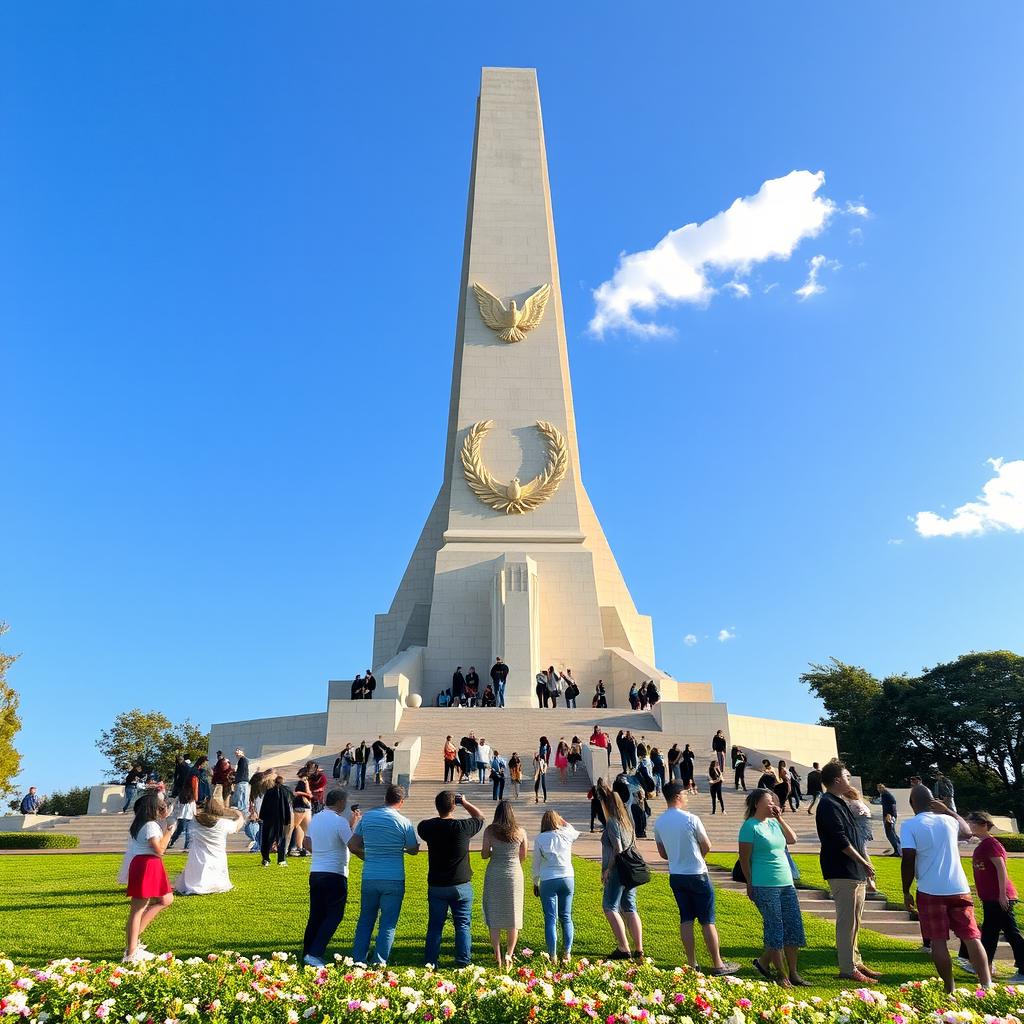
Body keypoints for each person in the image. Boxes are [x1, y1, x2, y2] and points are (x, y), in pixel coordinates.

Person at [901, 783, 991, 992]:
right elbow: (968, 833)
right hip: (958, 887)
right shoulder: (949, 821)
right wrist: (949, 810)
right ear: (934, 801)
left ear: (912, 803)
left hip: (930, 890)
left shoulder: (910, 825)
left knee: (938, 940)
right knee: (971, 936)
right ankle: (987, 986)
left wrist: (906, 889)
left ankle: (949, 989)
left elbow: (908, 858)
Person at [655, 782, 738, 975]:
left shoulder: (659, 822)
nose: (687, 796)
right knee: (707, 920)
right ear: (678, 796)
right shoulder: (691, 819)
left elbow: (663, 853)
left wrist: (677, 856)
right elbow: (706, 844)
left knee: (686, 918)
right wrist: (697, 856)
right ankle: (717, 963)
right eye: (685, 793)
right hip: (697, 873)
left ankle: (692, 963)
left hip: (676, 875)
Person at [815, 761, 880, 982]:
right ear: (836, 780)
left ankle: (856, 961)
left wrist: (863, 863)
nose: (849, 780)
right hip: (842, 869)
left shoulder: (839, 801)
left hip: (853, 869)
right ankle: (847, 967)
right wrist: (863, 861)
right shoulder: (827, 804)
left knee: (856, 919)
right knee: (847, 922)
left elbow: (856, 835)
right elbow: (840, 839)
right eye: (846, 776)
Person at [739, 788, 808, 987]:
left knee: (793, 927)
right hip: (764, 884)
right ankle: (782, 974)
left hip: (786, 883)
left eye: (774, 802)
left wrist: (780, 819)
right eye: (769, 802)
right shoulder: (750, 827)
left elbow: (792, 839)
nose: (773, 805)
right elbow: (744, 860)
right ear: (756, 804)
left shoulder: (774, 824)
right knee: (775, 929)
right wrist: (749, 883)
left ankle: (794, 973)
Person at [348, 784, 420, 966]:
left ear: (385, 798)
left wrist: (367, 856)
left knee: (365, 919)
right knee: (388, 923)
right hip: (394, 876)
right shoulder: (403, 821)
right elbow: (413, 849)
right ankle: (379, 960)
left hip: (370, 875)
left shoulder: (367, 818)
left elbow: (353, 845)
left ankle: (358, 959)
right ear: (401, 802)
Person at [417, 789, 484, 968]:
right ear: (454, 807)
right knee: (462, 925)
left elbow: (422, 828)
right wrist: (465, 802)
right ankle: (463, 961)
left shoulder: (427, 827)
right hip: (461, 883)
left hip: (437, 884)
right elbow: (480, 817)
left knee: (435, 925)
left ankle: (431, 961)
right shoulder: (463, 827)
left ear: (437, 806)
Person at [302, 790, 361, 967]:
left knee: (316, 915)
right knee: (334, 914)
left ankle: (308, 952)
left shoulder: (317, 818)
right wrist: (355, 825)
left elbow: (306, 842)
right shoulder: (339, 821)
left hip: (316, 872)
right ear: (341, 802)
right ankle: (315, 952)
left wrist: (321, 853)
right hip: (335, 873)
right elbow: (353, 845)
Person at [965, 811, 1024, 983]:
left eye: (972, 823)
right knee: (1003, 932)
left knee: (995, 933)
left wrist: (1002, 895)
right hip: (992, 897)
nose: (969, 826)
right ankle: (985, 965)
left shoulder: (992, 844)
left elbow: (1001, 868)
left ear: (984, 824)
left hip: (999, 898)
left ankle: (984, 965)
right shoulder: (983, 845)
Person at [122, 790, 173, 962]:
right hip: (148, 864)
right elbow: (159, 850)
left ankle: (134, 943)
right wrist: (169, 832)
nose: (163, 810)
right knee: (137, 909)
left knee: (166, 900)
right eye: (161, 808)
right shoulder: (150, 825)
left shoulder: (141, 824)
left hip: (146, 864)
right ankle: (131, 952)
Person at [481, 799, 527, 970]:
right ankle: (509, 953)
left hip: (495, 873)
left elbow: (485, 854)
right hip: (514, 874)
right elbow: (523, 856)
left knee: (494, 914)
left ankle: (497, 955)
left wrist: (494, 851)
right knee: (513, 915)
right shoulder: (520, 831)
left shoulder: (490, 831)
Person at [598, 788, 644, 959]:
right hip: (630, 869)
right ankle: (639, 949)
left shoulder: (612, 822)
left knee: (609, 906)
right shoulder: (627, 821)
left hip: (618, 869)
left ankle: (623, 947)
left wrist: (607, 869)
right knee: (630, 908)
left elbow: (617, 848)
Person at [532, 810, 579, 962]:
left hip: (548, 879)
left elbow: (536, 864)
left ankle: (552, 954)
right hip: (567, 877)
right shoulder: (566, 834)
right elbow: (573, 830)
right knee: (566, 917)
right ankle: (567, 952)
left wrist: (535, 882)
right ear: (557, 821)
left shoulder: (540, 838)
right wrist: (562, 820)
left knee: (551, 919)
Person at [174, 795, 244, 895]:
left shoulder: (195, 822)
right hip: (217, 856)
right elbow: (237, 826)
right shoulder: (223, 823)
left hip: (197, 857)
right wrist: (238, 814)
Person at [258, 775, 293, 867]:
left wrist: (262, 817)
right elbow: (288, 806)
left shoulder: (269, 792)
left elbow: (264, 806)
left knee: (267, 839)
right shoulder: (286, 791)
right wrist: (288, 819)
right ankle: (281, 859)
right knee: (282, 839)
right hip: (282, 819)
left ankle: (266, 858)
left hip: (270, 819)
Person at [288, 769, 314, 856]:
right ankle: (301, 848)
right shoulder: (304, 782)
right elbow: (308, 794)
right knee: (303, 828)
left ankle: (295, 847)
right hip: (305, 807)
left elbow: (305, 793)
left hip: (300, 806)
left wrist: (305, 793)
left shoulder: (302, 782)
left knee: (295, 827)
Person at [166, 786, 196, 850]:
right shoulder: (182, 797)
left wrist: (195, 815)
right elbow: (173, 805)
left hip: (186, 817)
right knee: (182, 831)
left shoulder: (188, 798)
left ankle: (186, 846)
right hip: (184, 817)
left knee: (186, 831)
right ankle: (173, 841)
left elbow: (193, 806)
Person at [878, 783, 901, 855]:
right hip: (890, 815)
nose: (879, 789)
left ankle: (897, 850)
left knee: (890, 833)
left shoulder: (886, 795)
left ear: (883, 788)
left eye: (880, 788)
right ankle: (900, 849)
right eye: (878, 788)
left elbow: (892, 804)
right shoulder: (885, 795)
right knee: (892, 832)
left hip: (889, 816)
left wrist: (889, 815)